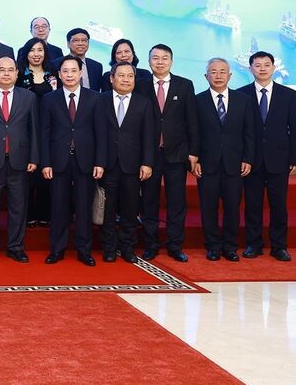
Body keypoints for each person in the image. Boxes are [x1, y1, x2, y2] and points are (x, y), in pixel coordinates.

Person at [40, 55, 105, 266]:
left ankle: (84, 250)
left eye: (73, 71)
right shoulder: (49, 99)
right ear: (59, 74)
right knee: (58, 207)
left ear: (80, 73)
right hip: (58, 161)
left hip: (86, 160)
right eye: (65, 71)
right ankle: (57, 249)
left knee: (84, 207)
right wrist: (46, 162)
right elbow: (44, 133)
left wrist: (100, 162)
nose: (69, 75)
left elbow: (100, 132)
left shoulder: (95, 98)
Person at [239, 51, 296, 262]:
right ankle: (253, 244)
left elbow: (295, 128)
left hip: (279, 158)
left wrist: (294, 158)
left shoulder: (289, 95)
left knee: (278, 206)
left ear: (274, 67)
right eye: (257, 65)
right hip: (251, 160)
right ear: (250, 69)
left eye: (267, 65)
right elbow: (239, 130)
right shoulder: (241, 94)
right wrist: (242, 157)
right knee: (252, 204)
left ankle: (279, 247)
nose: (262, 69)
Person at [139, 44, 199, 263]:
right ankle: (150, 245)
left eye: (164, 58)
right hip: (149, 154)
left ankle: (175, 246)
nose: (160, 62)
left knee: (176, 201)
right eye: (155, 58)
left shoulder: (185, 85)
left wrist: (193, 151)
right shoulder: (140, 85)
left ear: (171, 61)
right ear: (149, 61)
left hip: (177, 153)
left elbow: (192, 121)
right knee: (149, 201)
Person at [0, 56, 39, 263]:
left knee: (18, 207)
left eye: (11, 70)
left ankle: (16, 247)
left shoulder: (28, 97)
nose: (6, 73)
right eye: (1, 70)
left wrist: (34, 157)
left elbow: (34, 130)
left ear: (17, 73)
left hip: (19, 161)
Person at [193, 58, 255, 262]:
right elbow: (194, 132)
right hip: (206, 164)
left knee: (232, 208)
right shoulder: (197, 101)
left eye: (222, 71)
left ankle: (230, 247)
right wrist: (195, 159)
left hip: (234, 164)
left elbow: (249, 132)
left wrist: (248, 158)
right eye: (213, 72)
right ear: (206, 76)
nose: (218, 76)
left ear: (230, 75)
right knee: (208, 208)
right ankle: (212, 246)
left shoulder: (243, 100)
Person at [98, 62, 155, 263]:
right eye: (121, 75)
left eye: (130, 76)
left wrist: (147, 163)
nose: (126, 79)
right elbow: (96, 134)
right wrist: (98, 162)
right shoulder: (101, 100)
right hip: (107, 164)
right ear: (111, 78)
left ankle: (128, 247)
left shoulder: (143, 103)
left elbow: (149, 135)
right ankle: (109, 247)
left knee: (130, 209)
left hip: (133, 165)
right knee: (108, 209)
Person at [17, 37, 58, 227]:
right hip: (25, 130)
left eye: (40, 50)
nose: (36, 54)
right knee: (27, 174)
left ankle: (44, 213)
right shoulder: (19, 75)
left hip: (50, 131)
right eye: (32, 50)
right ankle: (27, 215)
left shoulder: (53, 75)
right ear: (26, 53)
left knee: (46, 173)